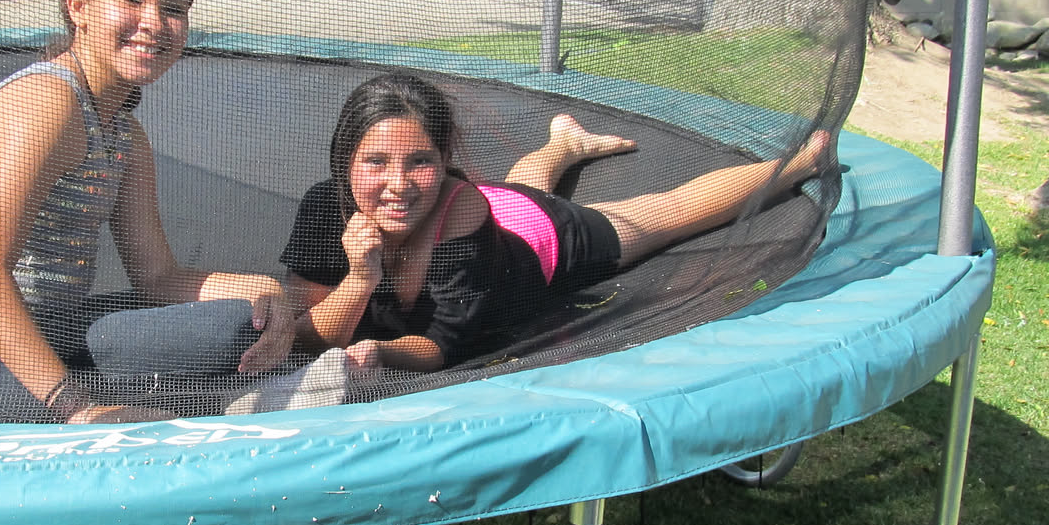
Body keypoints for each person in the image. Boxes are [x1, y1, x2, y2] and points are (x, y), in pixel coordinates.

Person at [0, 0, 302, 424]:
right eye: (131, 0)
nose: (154, 22)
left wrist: (262, 288)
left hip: (52, 328)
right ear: (79, 6)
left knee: (238, 322)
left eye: (173, 8)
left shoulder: (124, 136)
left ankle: (242, 395)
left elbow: (158, 278)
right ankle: (238, 399)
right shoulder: (47, 103)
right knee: (208, 350)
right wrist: (77, 408)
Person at [282, 72, 833, 375]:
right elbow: (302, 335)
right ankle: (564, 143)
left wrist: (385, 351)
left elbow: (441, 347)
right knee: (520, 187)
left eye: (420, 161)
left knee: (665, 213)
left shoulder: (462, 216)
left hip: (537, 238)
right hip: (500, 206)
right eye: (376, 163)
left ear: (444, 159)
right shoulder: (323, 207)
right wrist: (360, 279)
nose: (398, 184)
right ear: (345, 161)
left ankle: (801, 162)